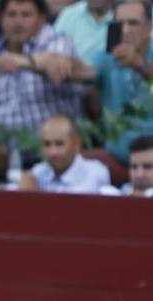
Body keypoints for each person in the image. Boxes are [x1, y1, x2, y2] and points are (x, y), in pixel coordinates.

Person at [0, 0, 85, 133]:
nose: (18, 22)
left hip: (50, 144)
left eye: (26, 15)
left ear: (41, 19)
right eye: (11, 15)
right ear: (1, 19)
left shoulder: (58, 42)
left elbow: (61, 64)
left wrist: (25, 62)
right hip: (2, 146)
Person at [72, 0, 153, 172]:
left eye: (133, 23)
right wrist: (57, 63)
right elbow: (84, 70)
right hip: (117, 155)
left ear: (149, 27)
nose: (125, 30)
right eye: (120, 24)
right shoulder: (107, 56)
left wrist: (141, 66)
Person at [17, 112, 112, 191]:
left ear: (76, 144)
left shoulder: (95, 172)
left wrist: (35, 195)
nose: (52, 152)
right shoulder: (37, 173)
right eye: (47, 144)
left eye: (59, 144)